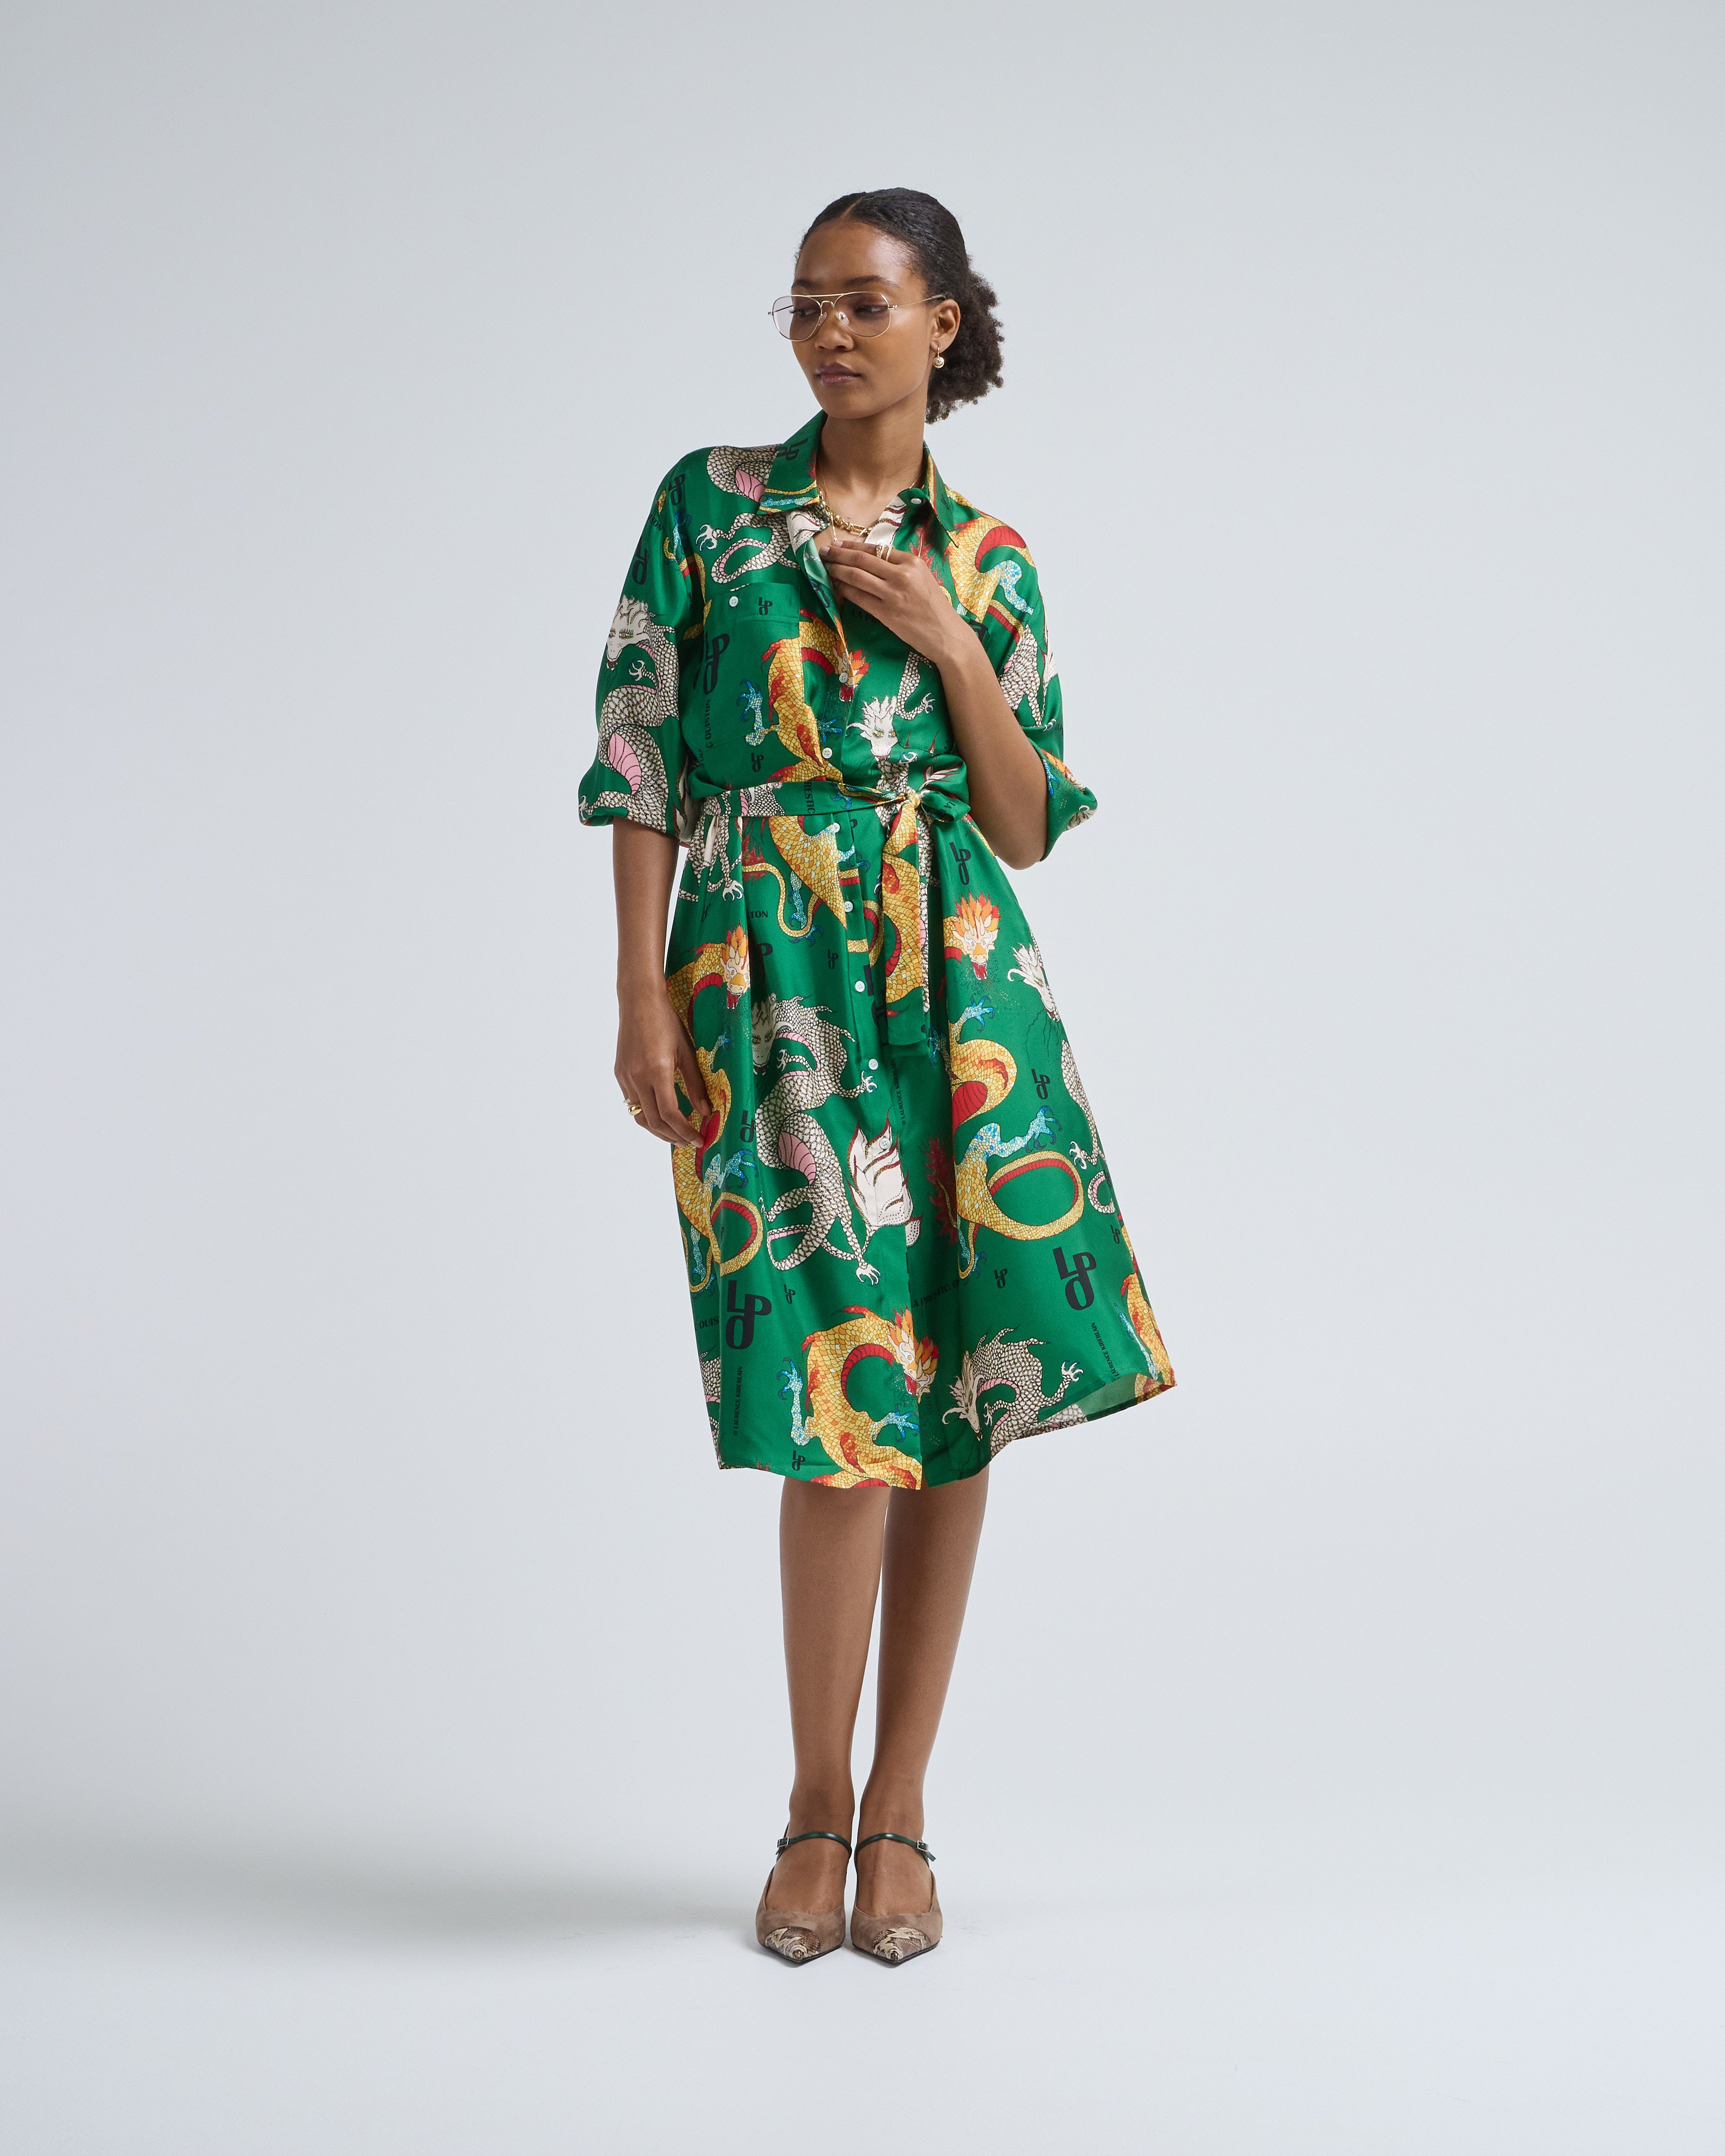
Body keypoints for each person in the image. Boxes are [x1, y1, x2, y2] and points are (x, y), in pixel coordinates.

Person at [579, 188, 1174, 1965]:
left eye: (865, 301)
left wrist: (947, 638)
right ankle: (810, 1806)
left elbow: (1025, 820)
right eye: (806, 304)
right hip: (764, 982)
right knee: (833, 1404)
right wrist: (641, 992)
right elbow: (638, 749)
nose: (830, 331)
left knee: (962, 1389)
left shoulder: (989, 559)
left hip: (964, 988)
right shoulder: (708, 506)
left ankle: (902, 1813)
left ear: (944, 325)